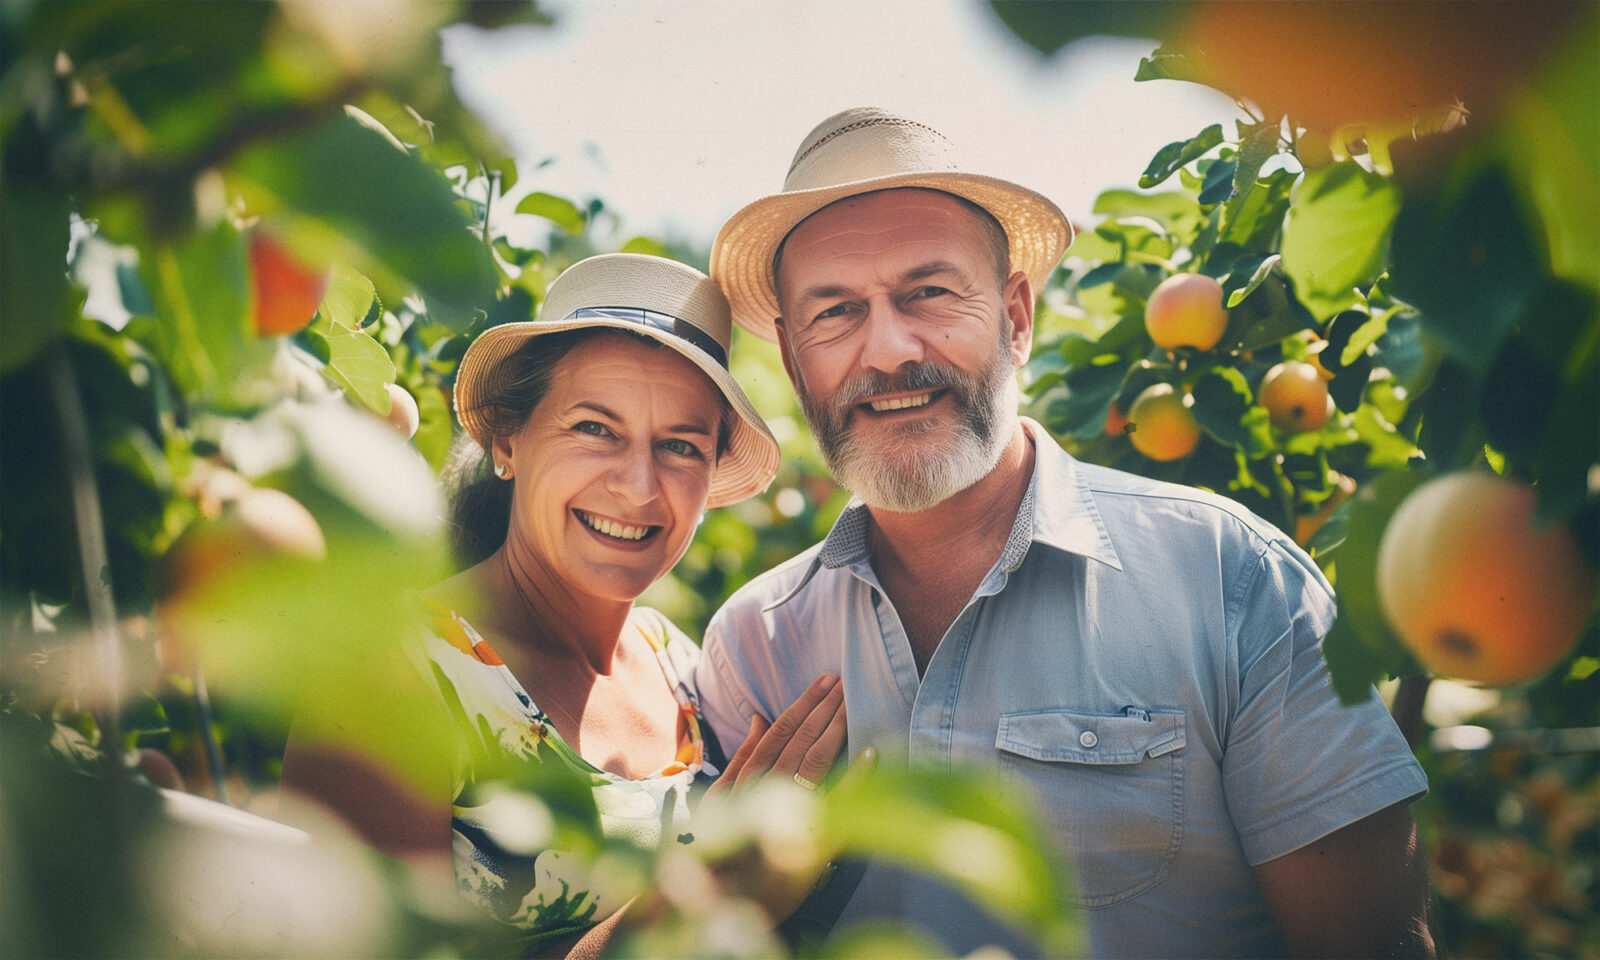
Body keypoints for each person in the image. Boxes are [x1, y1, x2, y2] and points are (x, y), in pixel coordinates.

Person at [695, 107, 1435, 958]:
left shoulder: (1232, 578)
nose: (889, 349)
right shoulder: (753, 646)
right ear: (793, 363)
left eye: (929, 293)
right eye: (834, 313)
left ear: (1017, 316)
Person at [282, 253, 849, 955]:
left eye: (680, 445)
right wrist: (700, 895)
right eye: (594, 429)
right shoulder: (391, 675)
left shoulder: (680, 661)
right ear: (508, 441)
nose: (639, 486)